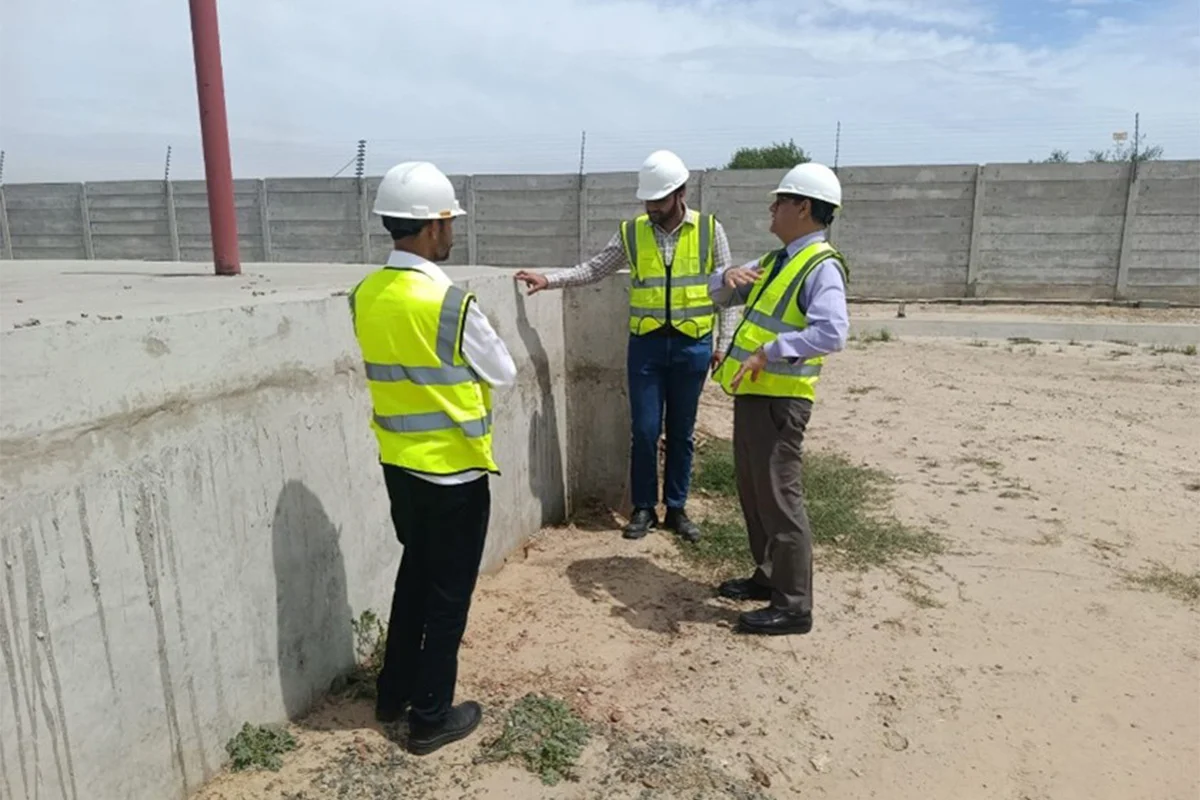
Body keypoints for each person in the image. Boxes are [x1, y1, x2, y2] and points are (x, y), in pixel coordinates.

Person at [348, 161, 517, 754]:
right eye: (449, 222)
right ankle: (429, 716)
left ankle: (393, 691)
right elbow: (503, 371)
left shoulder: (365, 294)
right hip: (453, 471)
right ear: (430, 228)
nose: (453, 233)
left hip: (398, 464)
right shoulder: (450, 303)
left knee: (414, 576)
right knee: (448, 596)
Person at [514, 150, 738, 542]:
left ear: (681, 193)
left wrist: (723, 343)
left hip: (693, 346)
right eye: (648, 201)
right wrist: (549, 280)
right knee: (646, 430)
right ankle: (644, 508)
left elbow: (727, 291)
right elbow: (595, 268)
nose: (652, 207)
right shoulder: (632, 232)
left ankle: (678, 509)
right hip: (647, 347)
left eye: (659, 200)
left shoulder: (709, 230)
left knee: (682, 431)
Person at [708, 162, 850, 636]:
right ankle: (768, 578)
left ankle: (794, 605)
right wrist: (725, 276)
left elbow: (832, 330)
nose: (772, 208)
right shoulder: (775, 260)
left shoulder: (820, 266)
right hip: (754, 396)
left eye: (781, 201)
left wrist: (772, 351)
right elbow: (720, 295)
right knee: (754, 494)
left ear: (803, 208)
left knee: (780, 499)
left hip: (780, 400)